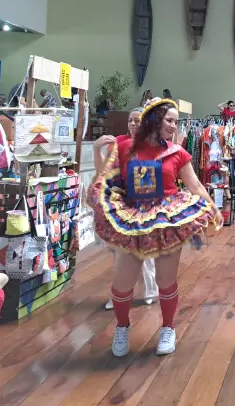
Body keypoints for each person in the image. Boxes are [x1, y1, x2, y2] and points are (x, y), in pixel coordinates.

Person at [89, 97, 221, 358]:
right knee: (122, 283)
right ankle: (122, 326)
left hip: (166, 220)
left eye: (176, 122)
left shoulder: (177, 152)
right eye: (169, 120)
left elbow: (195, 185)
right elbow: (105, 178)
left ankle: (168, 328)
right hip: (133, 220)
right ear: (155, 119)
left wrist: (213, 209)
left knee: (165, 280)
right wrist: (97, 156)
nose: (173, 126)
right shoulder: (124, 147)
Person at [93, 108, 158, 310]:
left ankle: (150, 290)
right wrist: (96, 149)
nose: (133, 124)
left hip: (143, 202)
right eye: (131, 120)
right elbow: (102, 171)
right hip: (119, 202)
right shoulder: (119, 143)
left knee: (143, 251)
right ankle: (119, 295)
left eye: (137, 120)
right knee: (120, 252)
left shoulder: (151, 144)